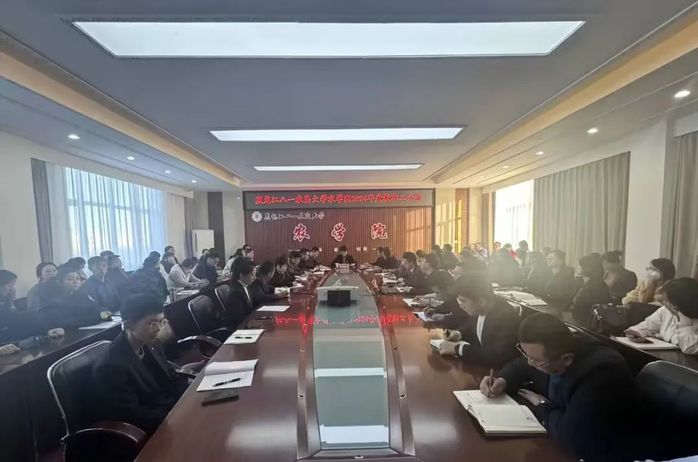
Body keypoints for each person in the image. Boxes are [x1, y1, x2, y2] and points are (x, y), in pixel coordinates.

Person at [481, 313, 640, 462]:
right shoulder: (549, 351)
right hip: (558, 436)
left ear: (566, 359)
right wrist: (503, 380)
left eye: (536, 360)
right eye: (526, 355)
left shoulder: (602, 372)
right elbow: (521, 364)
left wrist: (542, 405)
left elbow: (572, 438)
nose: (530, 362)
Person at [90, 294, 187, 435]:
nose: (158, 329)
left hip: (166, 409)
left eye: (161, 322)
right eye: (152, 323)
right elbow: (131, 414)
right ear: (129, 324)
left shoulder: (151, 343)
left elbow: (169, 377)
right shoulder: (111, 365)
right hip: (148, 429)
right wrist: (175, 416)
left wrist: (189, 397)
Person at [438, 275, 519, 367]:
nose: (460, 306)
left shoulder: (505, 316)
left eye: (463, 301)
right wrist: (457, 334)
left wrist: (458, 349)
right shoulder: (480, 308)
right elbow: (470, 326)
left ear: (481, 301)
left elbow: (498, 356)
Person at [625, 278, 698, 354]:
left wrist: (684, 323)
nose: (664, 303)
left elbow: (690, 348)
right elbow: (648, 325)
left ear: (675, 304)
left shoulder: (686, 317)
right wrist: (636, 333)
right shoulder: (665, 310)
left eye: (666, 300)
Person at [1, 270, 64, 353]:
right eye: (11, 285)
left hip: (14, 347)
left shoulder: (5, 304)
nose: (12, 289)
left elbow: (21, 319)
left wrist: (47, 331)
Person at [39, 266, 110, 328]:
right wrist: (97, 317)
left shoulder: (83, 297)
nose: (75, 282)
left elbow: (106, 313)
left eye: (78, 279)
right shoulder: (54, 301)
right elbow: (68, 322)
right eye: (70, 279)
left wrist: (96, 316)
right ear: (59, 282)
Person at [571, 254, 611, 327]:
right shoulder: (585, 282)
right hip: (581, 319)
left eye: (580, 266)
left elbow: (578, 302)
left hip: (588, 323)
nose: (577, 268)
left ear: (587, 268)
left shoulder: (596, 286)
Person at [225, 259, 256, 327]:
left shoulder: (244, 286)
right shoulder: (235, 293)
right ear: (242, 275)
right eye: (252, 275)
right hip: (239, 329)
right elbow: (239, 319)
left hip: (247, 324)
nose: (255, 277)